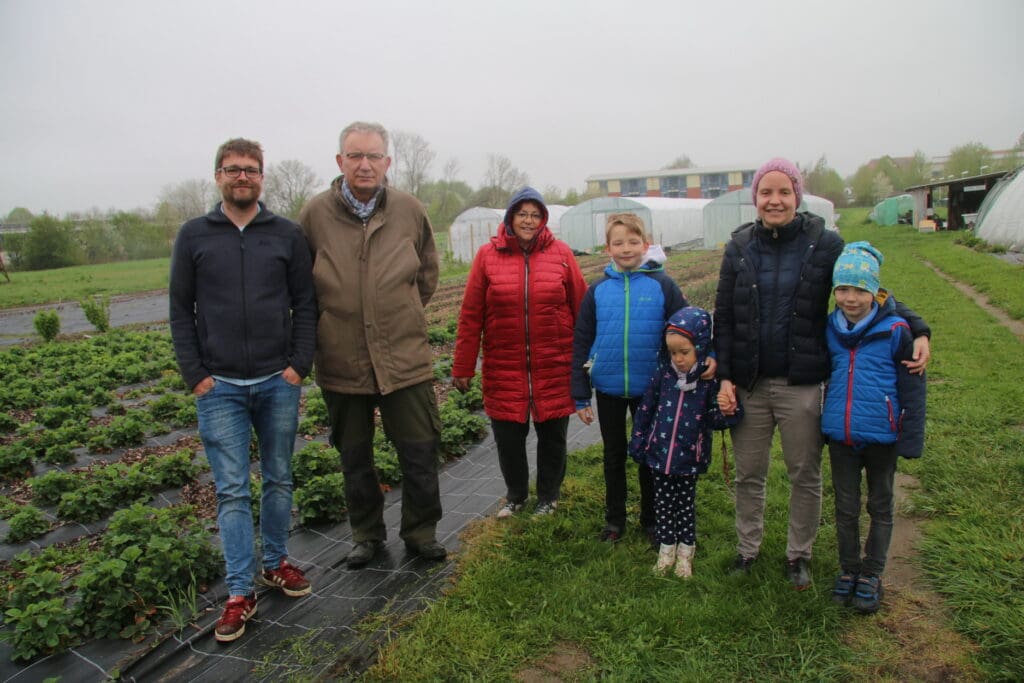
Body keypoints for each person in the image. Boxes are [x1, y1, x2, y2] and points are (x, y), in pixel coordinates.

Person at [714, 157, 932, 589]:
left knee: (805, 474)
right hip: (749, 383)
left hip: (803, 383)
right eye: (765, 192)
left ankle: (799, 555)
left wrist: (919, 327)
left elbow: (866, 289)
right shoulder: (739, 247)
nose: (774, 200)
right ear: (755, 198)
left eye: (783, 191)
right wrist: (724, 376)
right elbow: (723, 314)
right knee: (749, 474)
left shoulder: (825, 244)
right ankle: (747, 549)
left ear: (797, 195)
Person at [169, 138, 316, 643]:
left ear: (262, 178)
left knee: (278, 477)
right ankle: (238, 592)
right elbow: (180, 311)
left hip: (278, 380)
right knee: (232, 490)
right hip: (221, 388)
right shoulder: (193, 236)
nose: (243, 177)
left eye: (251, 170)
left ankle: (275, 562)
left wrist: (299, 365)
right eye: (233, 169)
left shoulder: (286, 235)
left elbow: (306, 303)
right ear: (218, 177)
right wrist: (197, 376)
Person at [298, 121, 445, 568]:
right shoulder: (314, 215)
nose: (365, 165)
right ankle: (366, 535)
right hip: (342, 358)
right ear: (340, 161)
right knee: (354, 456)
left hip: (404, 356)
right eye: (355, 156)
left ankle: (420, 533)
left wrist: (397, 313)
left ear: (387, 162)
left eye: (373, 156)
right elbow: (302, 284)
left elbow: (427, 274)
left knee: (419, 448)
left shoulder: (409, 209)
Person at [452, 186, 587, 518]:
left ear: (543, 219)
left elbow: (581, 307)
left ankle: (548, 497)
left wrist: (587, 360)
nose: (529, 221)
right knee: (509, 438)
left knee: (553, 436)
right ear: (510, 217)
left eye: (535, 214)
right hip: (504, 363)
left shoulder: (562, 254)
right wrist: (463, 366)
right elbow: (471, 315)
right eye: (522, 214)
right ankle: (515, 496)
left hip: (554, 362)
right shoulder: (487, 256)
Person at [822, 242, 926, 614]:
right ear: (834, 291)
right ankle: (849, 569)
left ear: (875, 291)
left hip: (882, 437)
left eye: (860, 290)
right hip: (841, 437)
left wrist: (910, 437)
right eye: (843, 289)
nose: (851, 298)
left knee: (880, 505)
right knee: (846, 508)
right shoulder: (830, 329)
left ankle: (873, 573)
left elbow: (913, 386)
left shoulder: (896, 331)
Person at [571, 213, 686, 544]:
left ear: (645, 245)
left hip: (651, 388)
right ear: (607, 248)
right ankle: (615, 520)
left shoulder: (662, 285)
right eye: (618, 242)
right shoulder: (597, 291)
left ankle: (651, 520)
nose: (626, 248)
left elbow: (686, 328)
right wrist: (581, 395)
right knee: (613, 455)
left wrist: (690, 367)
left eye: (633, 242)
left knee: (650, 455)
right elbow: (581, 340)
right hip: (607, 389)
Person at [628, 307, 739, 577]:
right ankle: (666, 549)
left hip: (689, 457)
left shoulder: (707, 384)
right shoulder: (663, 376)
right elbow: (645, 410)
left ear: (700, 348)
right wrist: (639, 441)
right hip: (658, 455)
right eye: (673, 352)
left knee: (684, 505)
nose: (678, 359)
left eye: (684, 352)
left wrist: (729, 410)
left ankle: (686, 551)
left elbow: (715, 419)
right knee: (662, 504)